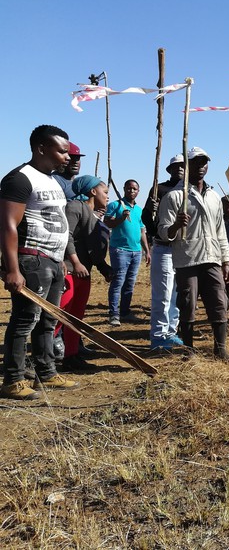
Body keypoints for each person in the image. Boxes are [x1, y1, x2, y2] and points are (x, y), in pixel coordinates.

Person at [0, 124, 79, 400]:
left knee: (48, 319)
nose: (67, 157)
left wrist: (62, 260)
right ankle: (13, 380)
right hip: (31, 261)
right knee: (25, 320)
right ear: (41, 148)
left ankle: (45, 372)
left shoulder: (53, 181)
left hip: (53, 262)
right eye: (62, 151)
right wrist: (12, 269)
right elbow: (8, 225)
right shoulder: (20, 179)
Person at [157, 147, 229, 359]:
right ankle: (189, 350)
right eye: (196, 163)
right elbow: (163, 231)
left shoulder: (214, 197)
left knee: (218, 301)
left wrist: (226, 261)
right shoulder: (173, 197)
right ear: (187, 167)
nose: (201, 167)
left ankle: (220, 348)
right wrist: (175, 226)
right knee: (187, 305)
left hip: (212, 258)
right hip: (187, 259)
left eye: (204, 162)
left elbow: (220, 231)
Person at [57, 176, 111, 370]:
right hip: (70, 271)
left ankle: (71, 356)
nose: (107, 196)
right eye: (105, 191)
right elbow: (66, 236)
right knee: (58, 316)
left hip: (83, 273)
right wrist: (76, 262)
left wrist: (103, 267)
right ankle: (45, 357)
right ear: (93, 191)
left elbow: (92, 248)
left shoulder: (92, 214)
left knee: (76, 317)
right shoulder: (74, 207)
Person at [142, 155, 185, 350]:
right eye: (175, 167)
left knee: (176, 294)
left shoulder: (189, 190)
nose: (179, 169)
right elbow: (147, 221)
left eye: (183, 166)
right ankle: (158, 335)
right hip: (164, 247)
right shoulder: (160, 189)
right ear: (169, 170)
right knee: (163, 294)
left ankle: (171, 332)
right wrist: (152, 210)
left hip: (183, 249)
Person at [105, 179, 151, 326]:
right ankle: (113, 314)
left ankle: (125, 312)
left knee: (130, 283)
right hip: (120, 250)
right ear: (124, 189)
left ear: (138, 191)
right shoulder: (116, 205)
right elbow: (107, 222)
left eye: (134, 189)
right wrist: (121, 218)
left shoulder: (139, 210)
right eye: (129, 188)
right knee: (118, 281)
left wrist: (147, 251)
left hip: (136, 251)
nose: (131, 191)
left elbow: (142, 231)